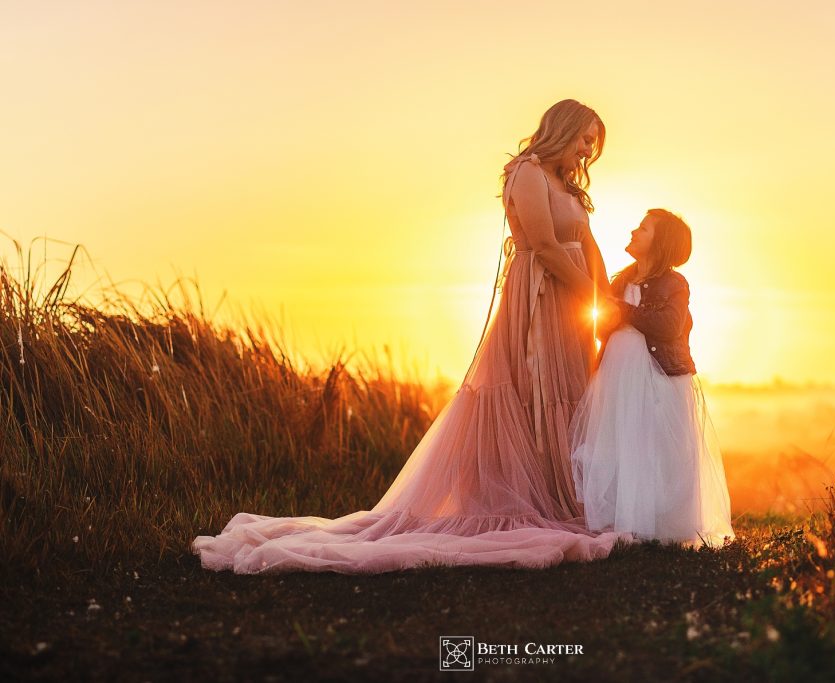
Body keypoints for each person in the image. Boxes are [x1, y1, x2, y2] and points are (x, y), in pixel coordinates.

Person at [192, 99, 631, 574]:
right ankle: (531, 499)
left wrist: (605, 300)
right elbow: (544, 246)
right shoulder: (528, 172)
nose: (589, 150)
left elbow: (588, 245)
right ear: (562, 129)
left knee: (569, 393)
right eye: (586, 138)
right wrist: (589, 292)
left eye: (594, 143)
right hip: (539, 300)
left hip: (570, 305)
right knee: (534, 390)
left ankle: (565, 493)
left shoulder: (567, 185)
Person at [569, 209, 735, 547]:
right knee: (621, 442)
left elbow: (669, 326)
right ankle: (623, 518)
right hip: (618, 376)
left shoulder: (675, 284)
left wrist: (623, 311)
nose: (633, 231)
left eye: (643, 229)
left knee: (657, 448)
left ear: (660, 243)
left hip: (657, 377)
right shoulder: (620, 281)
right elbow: (602, 326)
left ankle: (662, 525)